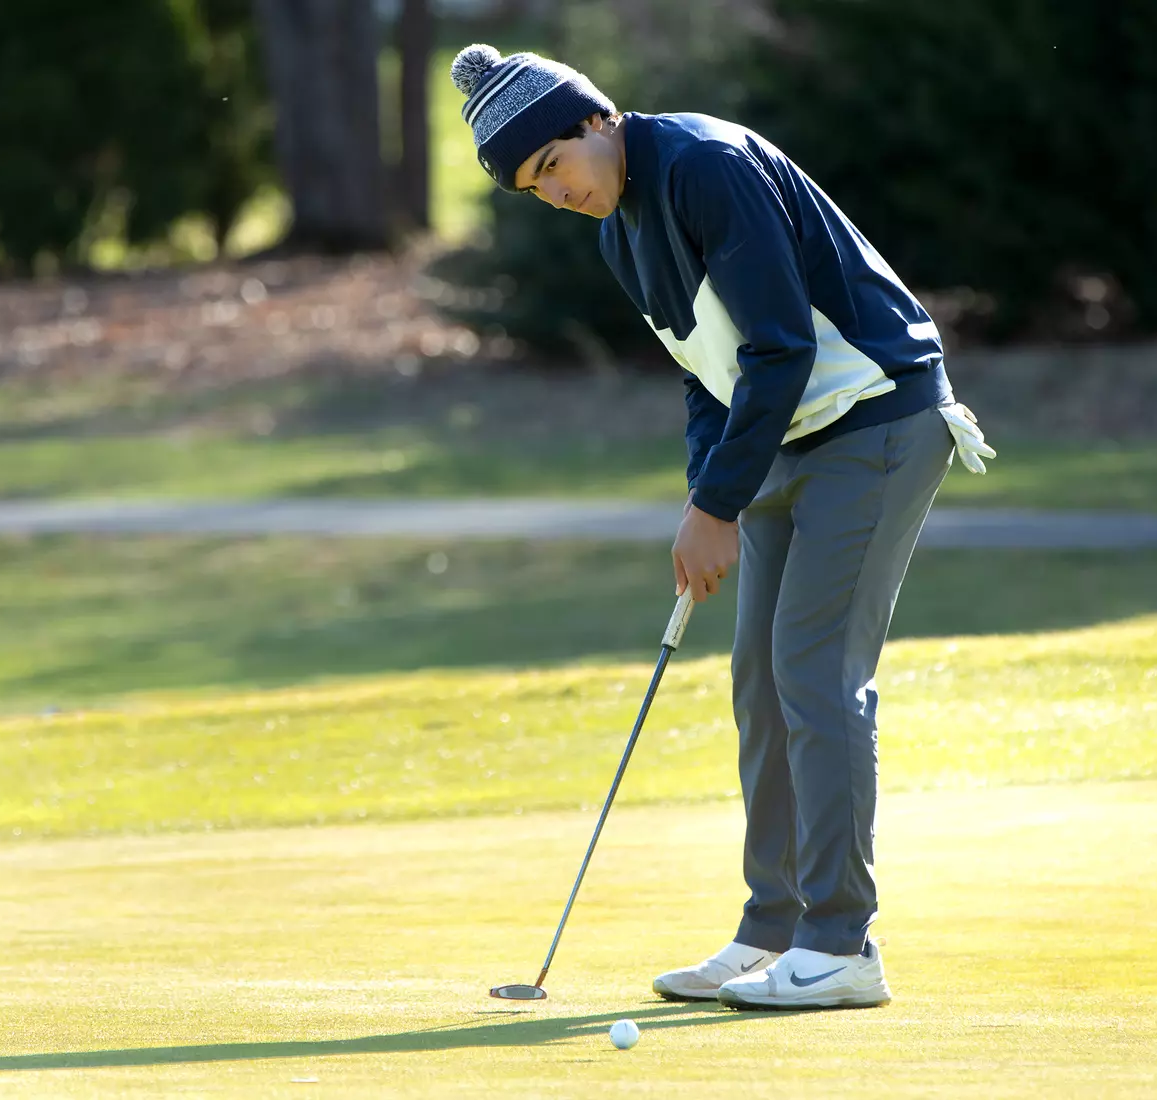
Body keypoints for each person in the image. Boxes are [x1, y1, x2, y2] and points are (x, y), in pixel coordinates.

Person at [450, 44, 993, 1011]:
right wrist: (709, 493)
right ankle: (771, 929)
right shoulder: (621, 231)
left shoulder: (704, 165)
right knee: (759, 679)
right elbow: (710, 378)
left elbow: (780, 348)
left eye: (551, 168)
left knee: (814, 672)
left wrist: (715, 507)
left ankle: (841, 943)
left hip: (877, 414)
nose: (554, 194)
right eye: (533, 187)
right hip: (790, 438)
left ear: (593, 122)